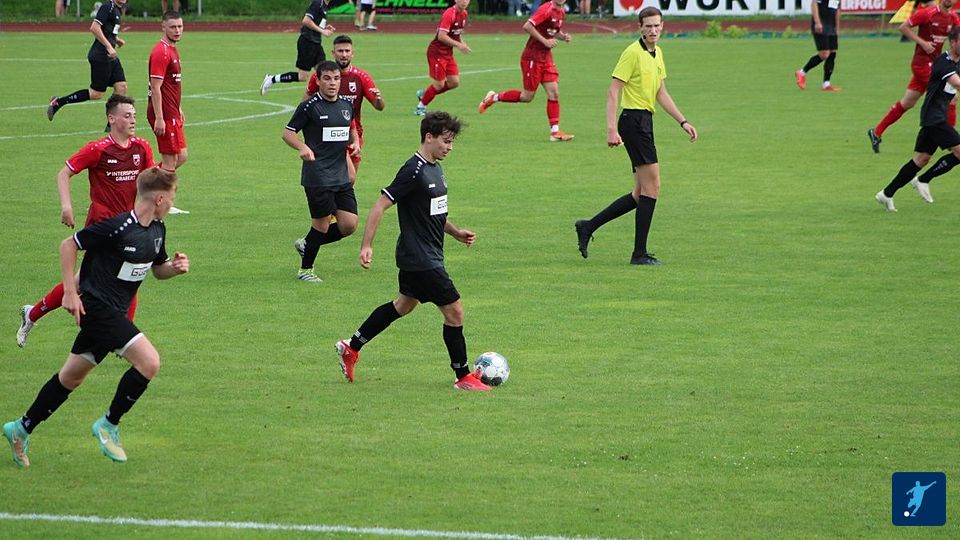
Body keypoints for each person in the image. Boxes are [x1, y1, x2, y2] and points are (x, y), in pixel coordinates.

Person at [3, 168, 189, 468]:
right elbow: (69, 245)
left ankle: (20, 429)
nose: (172, 203)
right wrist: (69, 292)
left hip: (114, 312)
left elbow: (158, 269)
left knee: (70, 378)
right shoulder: (117, 227)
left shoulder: (157, 230)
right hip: (97, 309)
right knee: (149, 362)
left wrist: (174, 269)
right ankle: (108, 424)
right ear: (159, 199)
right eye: (171, 197)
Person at [334, 112, 490, 391]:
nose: (450, 148)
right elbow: (380, 205)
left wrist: (455, 232)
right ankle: (463, 376)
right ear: (429, 137)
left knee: (403, 305)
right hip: (420, 258)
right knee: (454, 311)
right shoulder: (413, 170)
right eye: (446, 141)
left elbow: (434, 213)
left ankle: (351, 346)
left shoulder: (436, 168)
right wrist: (366, 245)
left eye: (452, 142)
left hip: (426, 254)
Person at [17, 95, 156, 349]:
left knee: (126, 275)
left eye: (134, 115)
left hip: (128, 226)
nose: (133, 120)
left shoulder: (142, 147)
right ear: (111, 119)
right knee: (99, 280)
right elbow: (64, 174)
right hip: (101, 227)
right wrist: (66, 207)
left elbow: (151, 182)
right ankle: (122, 338)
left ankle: (34, 314)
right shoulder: (98, 149)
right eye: (127, 115)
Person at [574, 7, 697, 266]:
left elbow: (661, 92)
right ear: (640, 27)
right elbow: (613, 91)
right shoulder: (632, 53)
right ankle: (639, 254)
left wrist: (683, 121)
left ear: (662, 26)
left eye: (656, 25)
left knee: (640, 193)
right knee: (653, 187)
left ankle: (587, 226)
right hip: (633, 122)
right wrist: (611, 129)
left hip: (644, 122)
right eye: (648, 26)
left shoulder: (657, 53)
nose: (653, 30)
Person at [282, 61, 359, 283]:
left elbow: (350, 127)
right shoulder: (309, 107)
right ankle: (305, 270)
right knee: (322, 223)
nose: (332, 83)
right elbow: (288, 133)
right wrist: (302, 147)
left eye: (336, 78)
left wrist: (355, 143)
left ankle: (308, 243)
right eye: (327, 78)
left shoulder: (346, 105)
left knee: (349, 224)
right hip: (317, 175)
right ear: (318, 80)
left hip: (340, 174)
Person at [876, 26, 960, 212]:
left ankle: (886, 193)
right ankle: (923, 179)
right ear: (953, 42)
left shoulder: (957, 62)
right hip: (934, 118)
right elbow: (956, 83)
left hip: (936, 117)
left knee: (921, 159)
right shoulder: (943, 62)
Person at [868, 0, 960, 153]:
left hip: (935, 65)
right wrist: (922, 43)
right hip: (922, 64)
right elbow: (903, 27)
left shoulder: (953, 18)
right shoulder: (928, 13)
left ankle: (876, 132)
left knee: (907, 102)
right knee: (952, 95)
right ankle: (952, 141)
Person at [477, 0, 575, 142]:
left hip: (546, 57)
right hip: (532, 57)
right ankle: (494, 97)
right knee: (527, 97)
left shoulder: (561, 11)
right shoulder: (546, 9)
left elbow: (553, 31)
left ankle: (555, 132)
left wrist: (563, 37)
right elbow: (527, 26)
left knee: (554, 93)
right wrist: (545, 41)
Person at [303, 34, 385, 186]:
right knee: (338, 180)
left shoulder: (361, 77)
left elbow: (379, 107)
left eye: (347, 51)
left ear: (353, 53)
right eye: (340, 51)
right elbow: (305, 102)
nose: (344, 55)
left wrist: (378, 99)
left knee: (348, 182)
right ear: (333, 53)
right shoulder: (320, 76)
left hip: (352, 135)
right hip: (326, 136)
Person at [47, 0, 129, 123]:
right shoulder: (108, 7)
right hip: (101, 55)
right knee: (96, 94)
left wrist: (116, 39)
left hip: (110, 56)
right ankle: (58, 102)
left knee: (121, 87)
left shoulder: (117, 8)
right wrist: (108, 46)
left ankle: (111, 126)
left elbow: (107, 29)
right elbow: (94, 27)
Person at [260, 0, 336, 96]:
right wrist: (322, 31)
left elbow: (315, 21)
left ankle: (323, 99)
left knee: (324, 71)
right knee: (302, 76)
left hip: (316, 43)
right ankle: (271, 79)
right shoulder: (318, 2)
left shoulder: (324, 5)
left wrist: (324, 27)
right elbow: (306, 20)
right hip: (307, 42)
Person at [414, 0, 472, 116]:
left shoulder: (464, 13)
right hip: (437, 53)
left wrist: (462, 43)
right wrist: (459, 45)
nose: (464, 2)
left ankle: (425, 94)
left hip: (448, 53)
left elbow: (456, 33)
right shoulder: (449, 14)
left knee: (454, 82)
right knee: (439, 84)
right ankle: (420, 107)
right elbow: (441, 36)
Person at [149, 11, 188, 173]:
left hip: (172, 111)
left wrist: (178, 108)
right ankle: (154, 188)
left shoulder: (172, 49)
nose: (177, 30)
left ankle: (144, 179)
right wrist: (159, 118)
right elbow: (155, 87)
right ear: (163, 27)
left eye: (180, 26)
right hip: (164, 113)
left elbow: (171, 83)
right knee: (170, 163)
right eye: (173, 27)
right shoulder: (161, 52)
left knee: (182, 156)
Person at [794, 0, 842, 93]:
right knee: (824, 54)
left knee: (832, 53)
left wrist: (837, 29)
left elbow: (837, 11)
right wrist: (817, 22)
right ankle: (802, 72)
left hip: (831, 26)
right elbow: (814, 3)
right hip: (821, 25)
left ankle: (826, 84)